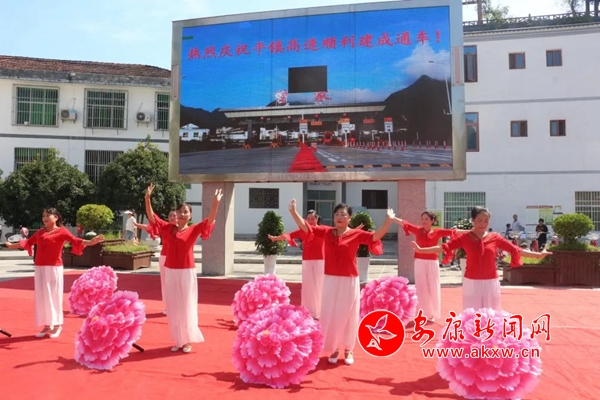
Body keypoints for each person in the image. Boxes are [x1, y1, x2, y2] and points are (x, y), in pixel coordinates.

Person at [288, 199, 395, 366]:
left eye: (343, 214)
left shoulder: (356, 234)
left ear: (349, 218)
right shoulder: (327, 232)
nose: (339, 217)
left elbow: (376, 236)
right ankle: (334, 347)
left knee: (348, 314)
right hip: (330, 278)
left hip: (349, 279)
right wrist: (293, 212)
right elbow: (306, 227)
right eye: (336, 214)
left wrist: (388, 220)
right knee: (329, 313)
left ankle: (348, 348)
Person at [411, 207, 552, 312]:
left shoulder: (494, 237)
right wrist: (421, 250)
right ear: (473, 220)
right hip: (471, 281)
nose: (482, 224)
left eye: (486, 221)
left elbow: (515, 249)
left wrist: (538, 255)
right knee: (472, 315)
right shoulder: (465, 238)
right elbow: (444, 247)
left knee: (492, 314)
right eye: (479, 220)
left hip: (491, 281)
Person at [145, 183, 222, 353]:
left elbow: (209, 220)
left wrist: (215, 203)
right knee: (174, 307)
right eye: (180, 211)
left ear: (190, 215)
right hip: (170, 271)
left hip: (187, 271)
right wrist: (147, 198)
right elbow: (152, 216)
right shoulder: (168, 228)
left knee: (186, 306)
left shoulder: (193, 229)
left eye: (185, 212)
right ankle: (178, 339)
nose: (182, 214)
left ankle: (187, 340)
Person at [5, 208, 105, 338]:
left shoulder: (62, 231)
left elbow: (75, 240)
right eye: (43, 216)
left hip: (53, 268)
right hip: (40, 268)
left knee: (54, 296)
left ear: (56, 217)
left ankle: (57, 324)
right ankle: (47, 324)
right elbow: (28, 242)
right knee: (42, 297)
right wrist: (11, 246)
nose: (45, 218)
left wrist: (90, 242)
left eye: (48, 215)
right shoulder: (41, 232)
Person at [394, 212, 467, 322]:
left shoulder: (437, 232)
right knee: (421, 287)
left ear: (432, 221)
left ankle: (434, 313)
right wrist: (392, 218)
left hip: (432, 262)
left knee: (433, 286)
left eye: (426, 219)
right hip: (419, 261)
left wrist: (472, 231)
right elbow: (405, 223)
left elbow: (453, 232)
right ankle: (422, 313)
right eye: (422, 219)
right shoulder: (418, 230)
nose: (424, 221)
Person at [268, 210, 325, 319]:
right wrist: (276, 238)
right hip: (307, 260)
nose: (310, 221)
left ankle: (321, 311)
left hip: (321, 260)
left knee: (320, 286)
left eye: (313, 219)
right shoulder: (302, 231)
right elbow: (289, 235)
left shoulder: (322, 230)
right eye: (308, 219)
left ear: (317, 219)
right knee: (308, 287)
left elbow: (337, 232)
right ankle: (308, 311)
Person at [134, 209, 178, 315]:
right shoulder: (165, 226)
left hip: (177, 259)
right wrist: (138, 225)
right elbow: (149, 224)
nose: (172, 217)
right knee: (166, 283)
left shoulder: (182, 229)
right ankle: (169, 306)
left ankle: (178, 306)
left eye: (174, 215)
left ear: (178, 217)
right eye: (170, 215)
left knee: (177, 283)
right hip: (165, 257)